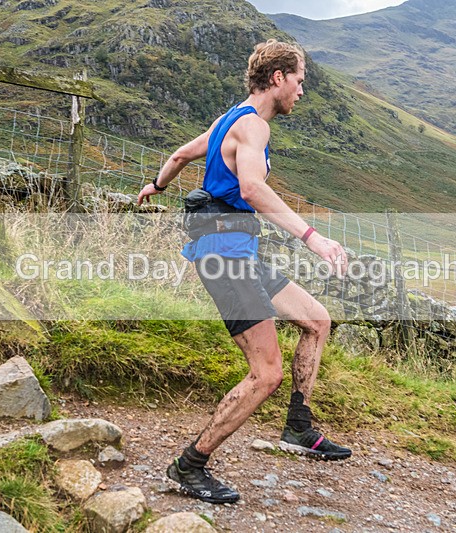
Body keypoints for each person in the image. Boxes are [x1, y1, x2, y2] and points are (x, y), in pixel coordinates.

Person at [137, 39, 351, 505]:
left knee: (317, 321)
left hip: (240, 252)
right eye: (299, 80)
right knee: (266, 374)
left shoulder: (227, 120)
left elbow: (179, 155)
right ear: (278, 78)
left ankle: (299, 427)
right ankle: (189, 464)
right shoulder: (253, 127)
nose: (300, 90)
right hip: (225, 255)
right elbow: (252, 188)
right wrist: (312, 237)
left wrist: (155, 186)